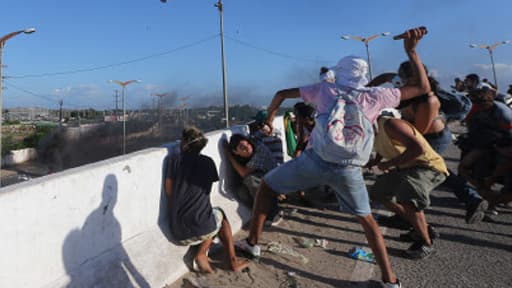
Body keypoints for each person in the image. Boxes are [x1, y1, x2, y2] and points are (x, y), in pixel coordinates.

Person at [235, 27, 431, 288]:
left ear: (340, 72)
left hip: (314, 161)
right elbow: (421, 87)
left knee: (267, 187)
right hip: (349, 169)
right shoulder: (376, 96)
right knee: (367, 222)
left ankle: (252, 244)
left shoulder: (324, 90)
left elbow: (281, 93)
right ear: (364, 77)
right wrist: (412, 51)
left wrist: (271, 116)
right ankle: (390, 281)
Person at [390, 61, 488, 224]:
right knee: (429, 169)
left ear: (412, 78)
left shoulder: (426, 95)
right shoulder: (417, 89)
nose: (400, 81)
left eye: (403, 77)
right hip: (432, 136)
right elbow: (387, 78)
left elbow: (419, 130)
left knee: (424, 170)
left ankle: (472, 200)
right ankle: (406, 214)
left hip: (434, 138)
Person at [165, 127, 249, 273]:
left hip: (177, 230)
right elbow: (206, 191)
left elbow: (169, 191)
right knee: (220, 215)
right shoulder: (208, 162)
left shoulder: (173, 161)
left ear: (185, 143)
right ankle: (215, 257)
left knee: (210, 216)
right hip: (202, 228)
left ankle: (205, 252)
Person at [368, 113, 448, 259]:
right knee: (380, 192)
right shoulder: (370, 128)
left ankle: (425, 243)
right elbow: (381, 146)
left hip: (426, 166)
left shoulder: (391, 124)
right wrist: (376, 162)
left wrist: (388, 164)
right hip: (405, 166)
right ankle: (416, 225)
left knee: (409, 199)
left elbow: (418, 149)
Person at [458, 87, 512, 214]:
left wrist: (500, 147)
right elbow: (469, 123)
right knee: (465, 167)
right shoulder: (473, 108)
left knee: (502, 170)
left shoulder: (502, 113)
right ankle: (483, 193)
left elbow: (509, 133)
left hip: (503, 145)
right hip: (482, 143)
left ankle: (494, 200)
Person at [223, 133, 281, 225]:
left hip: (274, 181)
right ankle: (262, 212)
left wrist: (229, 156)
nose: (248, 148)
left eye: (248, 144)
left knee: (250, 180)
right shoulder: (249, 152)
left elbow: (244, 173)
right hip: (266, 181)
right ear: (236, 152)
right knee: (241, 193)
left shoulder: (259, 151)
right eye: (242, 147)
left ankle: (273, 213)